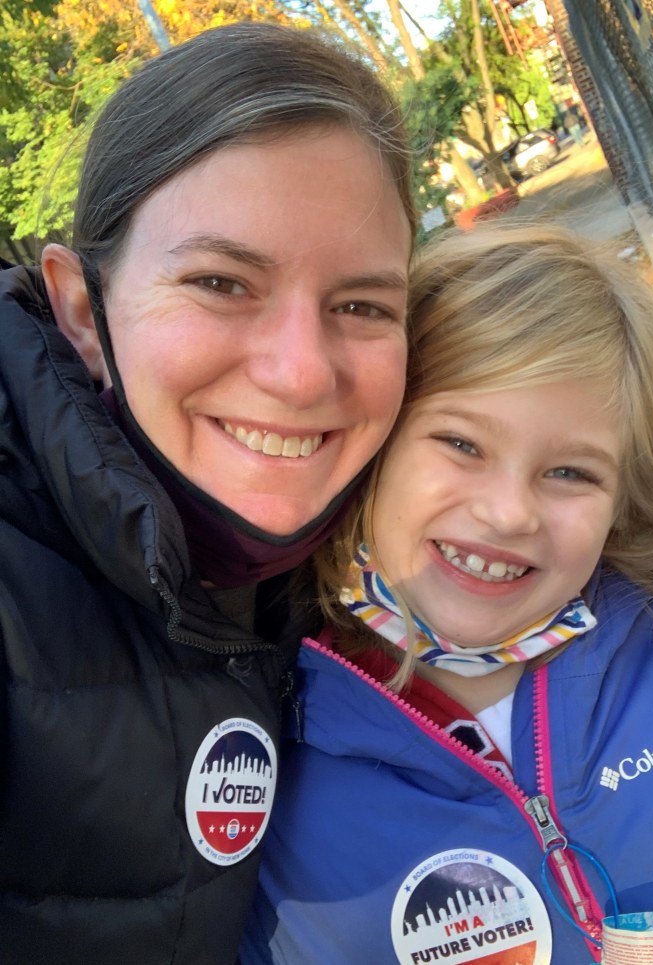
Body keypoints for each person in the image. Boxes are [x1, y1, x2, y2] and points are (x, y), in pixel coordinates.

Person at [0, 21, 414, 965]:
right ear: (81, 312)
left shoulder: (407, 528)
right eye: (221, 282)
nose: (303, 373)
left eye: (361, 305)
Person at [241, 224, 653, 965]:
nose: (509, 511)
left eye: (572, 473)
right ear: (374, 447)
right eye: (462, 444)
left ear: (624, 495)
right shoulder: (262, 761)